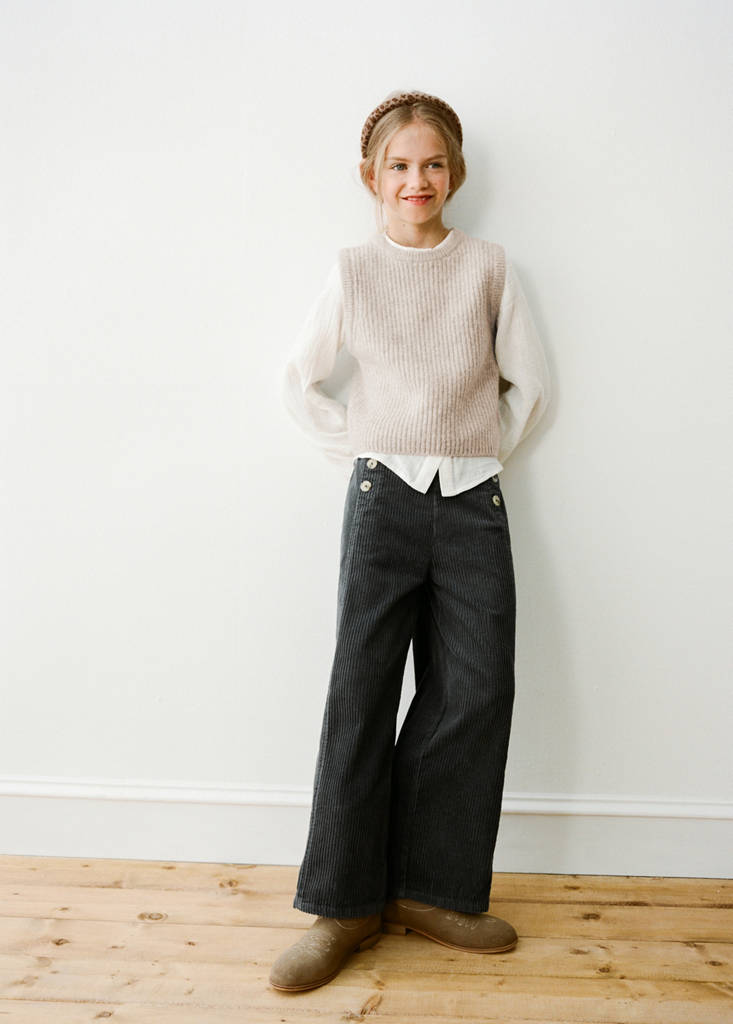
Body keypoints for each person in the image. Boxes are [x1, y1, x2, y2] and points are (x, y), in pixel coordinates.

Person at [269, 89, 551, 993]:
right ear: (372, 177)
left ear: (453, 173)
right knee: (360, 691)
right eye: (399, 166)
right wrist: (365, 448)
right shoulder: (353, 272)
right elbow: (300, 381)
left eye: (432, 164)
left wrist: (471, 452)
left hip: (472, 502)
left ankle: (429, 889)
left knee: (475, 688)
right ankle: (342, 905)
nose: (416, 179)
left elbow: (530, 386)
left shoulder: (489, 268)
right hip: (380, 499)